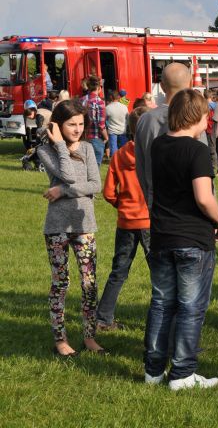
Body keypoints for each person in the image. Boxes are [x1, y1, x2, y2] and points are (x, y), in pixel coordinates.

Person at [143, 89, 218, 390]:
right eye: (207, 114)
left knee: (162, 303)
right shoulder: (197, 150)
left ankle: (153, 370)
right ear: (197, 117)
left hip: (162, 235)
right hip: (192, 236)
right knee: (191, 308)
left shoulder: (158, 145)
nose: (209, 120)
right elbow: (204, 198)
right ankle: (182, 373)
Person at [37, 99, 105, 357]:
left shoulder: (88, 148)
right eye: (71, 124)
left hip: (84, 224)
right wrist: (58, 145)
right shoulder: (46, 151)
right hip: (56, 227)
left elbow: (94, 185)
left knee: (89, 283)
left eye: (81, 124)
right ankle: (60, 339)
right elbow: (68, 174)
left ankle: (89, 336)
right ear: (58, 124)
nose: (77, 129)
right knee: (61, 284)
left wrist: (62, 191)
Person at [96, 106, 151, 331]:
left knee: (119, 271)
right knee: (160, 273)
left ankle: (103, 318)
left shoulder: (119, 155)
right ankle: (163, 319)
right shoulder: (153, 154)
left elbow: (108, 192)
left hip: (126, 221)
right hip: (149, 221)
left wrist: (122, 205)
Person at [135, 62, 203, 209]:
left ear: (162, 86)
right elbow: (203, 166)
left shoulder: (145, 119)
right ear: (191, 83)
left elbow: (141, 165)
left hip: (157, 201)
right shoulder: (195, 118)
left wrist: (149, 198)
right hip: (192, 203)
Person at [80, 75, 109, 167]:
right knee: (95, 168)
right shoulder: (99, 102)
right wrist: (106, 137)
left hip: (83, 137)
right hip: (96, 137)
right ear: (98, 87)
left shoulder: (81, 100)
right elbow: (101, 125)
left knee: (84, 166)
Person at [105, 90, 129, 155]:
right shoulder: (124, 107)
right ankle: (123, 161)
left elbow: (104, 119)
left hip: (112, 131)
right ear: (119, 98)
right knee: (123, 148)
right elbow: (127, 118)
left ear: (111, 97)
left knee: (113, 149)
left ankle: (114, 162)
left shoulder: (108, 108)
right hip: (122, 130)